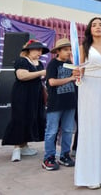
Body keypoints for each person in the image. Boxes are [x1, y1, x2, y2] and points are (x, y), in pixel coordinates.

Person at [74, 17, 101, 189]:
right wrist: (77, 73)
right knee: (90, 129)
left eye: (100, 25)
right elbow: (80, 69)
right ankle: (90, 176)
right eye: (94, 25)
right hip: (90, 88)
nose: (97, 27)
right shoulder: (83, 47)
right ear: (89, 29)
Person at [2, 39, 48, 162]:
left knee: (32, 118)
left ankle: (25, 146)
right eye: (37, 49)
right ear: (29, 49)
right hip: (22, 94)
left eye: (41, 50)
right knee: (19, 118)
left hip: (36, 95)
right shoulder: (21, 61)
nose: (40, 52)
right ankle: (16, 148)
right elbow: (21, 76)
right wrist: (41, 73)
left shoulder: (39, 63)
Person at [42, 38, 77, 171]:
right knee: (51, 131)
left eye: (70, 49)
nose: (68, 52)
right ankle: (48, 157)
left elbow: (76, 79)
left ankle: (65, 155)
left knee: (68, 130)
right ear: (58, 51)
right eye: (65, 50)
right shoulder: (53, 64)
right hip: (55, 103)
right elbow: (51, 82)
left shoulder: (70, 63)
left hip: (70, 102)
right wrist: (71, 78)